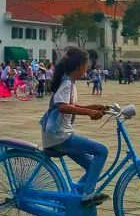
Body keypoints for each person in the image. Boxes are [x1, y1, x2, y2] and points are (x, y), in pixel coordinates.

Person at [41, 47, 110, 205]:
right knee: (101, 151)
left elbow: (73, 105)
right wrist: (88, 113)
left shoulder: (69, 83)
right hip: (60, 136)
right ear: (80, 67)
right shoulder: (67, 83)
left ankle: (78, 194)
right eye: (87, 65)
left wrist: (94, 107)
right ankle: (88, 194)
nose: (87, 68)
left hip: (59, 135)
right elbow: (62, 107)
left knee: (93, 166)